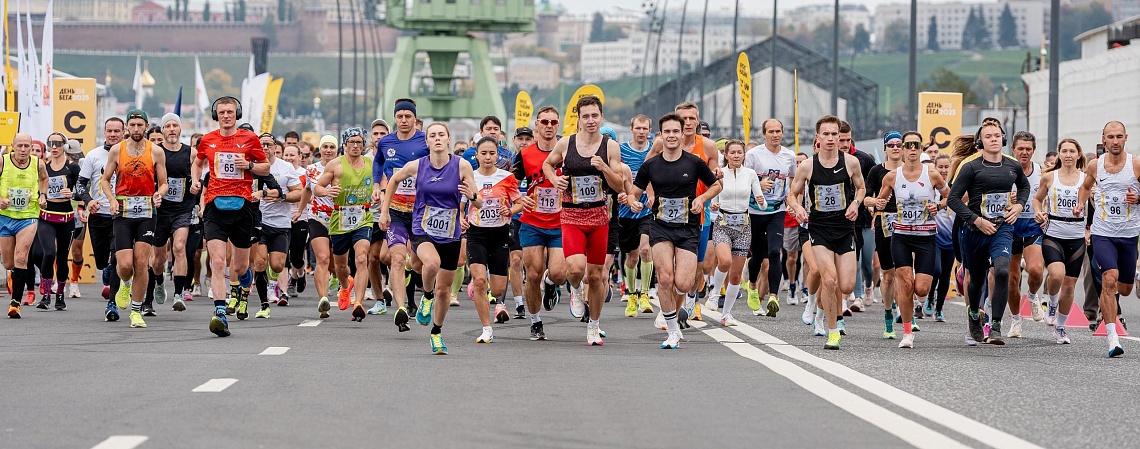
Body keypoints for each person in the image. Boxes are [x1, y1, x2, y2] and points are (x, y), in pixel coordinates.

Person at [380, 122, 478, 354]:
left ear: (448, 140)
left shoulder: (462, 166)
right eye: (432, 135)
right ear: (427, 142)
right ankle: (426, 295)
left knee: (444, 291)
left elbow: (479, 200)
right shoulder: (417, 165)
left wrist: (472, 196)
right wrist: (385, 210)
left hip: (451, 233)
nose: (436, 139)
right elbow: (393, 180)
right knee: (430, 263)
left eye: (440, 135)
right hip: (422, 228)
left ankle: (436, 332)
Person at [625, 113, 721, 349]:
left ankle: (675, 315)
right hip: (660, 226)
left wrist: (703, 198)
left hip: (688, 228)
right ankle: (672, 330)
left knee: (684, 283)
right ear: (660, 135)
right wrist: (633, 201)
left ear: (681, 134)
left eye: (675, 131)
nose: (671, 135)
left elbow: (717, 185)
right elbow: (633, 193)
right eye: (666, 132)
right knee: (665, 278)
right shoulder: (651, 165)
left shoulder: (694, 163)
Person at [541, 96, 625, 345]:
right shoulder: (567, 143)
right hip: (572, 214)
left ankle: (594, 325)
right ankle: (576, 290)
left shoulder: (610, 147)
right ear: (578, 118)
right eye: (585, 116)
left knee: (597, 276)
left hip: (599, 216)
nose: (590, 120)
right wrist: (554, 180)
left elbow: (619, 185)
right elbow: (547, 164)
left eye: (594, 115)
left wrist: (604, 168)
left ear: (601, 117)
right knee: (576, 268)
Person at [948, 118, 1030, 346]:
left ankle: (995, 326)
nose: (993, 139)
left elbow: (1024, 186)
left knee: (1003, 270)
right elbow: (953, 199)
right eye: (988, 136)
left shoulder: (1012, 165)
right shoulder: (971, 167)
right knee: (976, 278)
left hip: (1002, 227)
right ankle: (974, 313)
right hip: (976, 230)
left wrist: (1019, 206)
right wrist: (976, 220)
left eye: (997, 136)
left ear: (1003, 139)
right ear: (980, 142)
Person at [193, 97, 271, 337]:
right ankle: (219, 313)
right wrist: (196, 180)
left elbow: (265, 167)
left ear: (236, 113)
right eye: (221, 112)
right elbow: (197, 163)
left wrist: (247, 165)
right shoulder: (208, 140)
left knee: (239, 266)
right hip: (215, 205)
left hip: (243, 207)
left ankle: (246, 278)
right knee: (218, 262)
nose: (226, 115)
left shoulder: (250, 139)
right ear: (216, 115)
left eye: (230, 112)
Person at [787, 115, 866, 350]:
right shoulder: (807, 166)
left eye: (835, 134)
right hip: (819, 229)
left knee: (847, 287)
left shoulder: (851, 162)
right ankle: (832, 331)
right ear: (818, 137)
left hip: (844, 228)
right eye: (826, 134)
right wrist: (799, 208)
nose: (831, 138)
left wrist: (856, 204)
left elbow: (861, 188)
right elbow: (791, 194)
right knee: (829, 280)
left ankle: (822, 311)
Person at [872, 132, 950, 348]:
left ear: (921, 149)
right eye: (909, 145)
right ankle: (907, 333)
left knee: (922, 288)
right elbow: (880, 200)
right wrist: (875, 206)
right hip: (902, 236)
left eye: (917, 145)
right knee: (905, 283)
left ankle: (918, 302)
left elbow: (949, 196)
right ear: (904, 150)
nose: (913, 149)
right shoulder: (892, 176)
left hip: (926, 237)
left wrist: (940, 205)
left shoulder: (932, 174)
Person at [99, 109, 169, 329]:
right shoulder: (117, 150)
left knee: (141, 262)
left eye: (140, 125)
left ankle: (136, 311)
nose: (136, 129)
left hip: (147, 212)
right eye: (133, 125)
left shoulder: (156, 152)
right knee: (126, 264)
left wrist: (160, 194)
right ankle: (125, 284)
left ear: (146, 126)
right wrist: (110, 199)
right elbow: (105, 180)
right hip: (123, 211)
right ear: (127, 127)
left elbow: (164, 182)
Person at [1075, 121, 1139, 357]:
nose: (1114, 141)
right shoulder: (1095, 165)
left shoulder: (1135, 164)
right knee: (1109, 280)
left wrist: (1138, 199)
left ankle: (1135, 277)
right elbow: (1085, 187)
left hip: (1129, 234)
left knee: (1125, 287)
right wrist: (1081, 204)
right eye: (1110, 137)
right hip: (1103, 233)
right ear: (1103, 140)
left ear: (1125, 138)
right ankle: (1113, 337)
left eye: (1119, 136)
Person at [372, 98, 430, 332]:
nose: (404, 120)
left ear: (415, 119)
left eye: (408, 116)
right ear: (395, 118)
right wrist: (377, 186)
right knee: (396, 258)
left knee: (418, 263)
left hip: (421, 211)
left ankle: (426, 292)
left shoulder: (425, 141)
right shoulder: (386, 142)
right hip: (395, 208)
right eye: (400, 117)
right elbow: (378, 163)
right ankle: (400, 308)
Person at [512, 106, 569, 341]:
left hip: (560, 222)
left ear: (558, 125)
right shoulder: (525, 154)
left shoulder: (568, 152)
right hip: (532, 222)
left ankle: (551, 283)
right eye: (543, 121)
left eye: (553, 122)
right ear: (537, 125)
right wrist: (518, 197)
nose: (548, 126)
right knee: (532, 274)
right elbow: (510, 182)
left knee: (558, 273)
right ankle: (536, 322)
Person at [465, 137, 523, 342]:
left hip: (500, 234)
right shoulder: (469, 176)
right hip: (477, 233)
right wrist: (461, 222)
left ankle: (480, 283)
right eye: (484, 153)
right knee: (481, 281)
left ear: (497, 155)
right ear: (477, 155)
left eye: (492, 153)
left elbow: (519, 202)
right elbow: (459, 204)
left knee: (497, 289)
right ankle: (486, 328)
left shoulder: (506, 177)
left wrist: (510, 210)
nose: (488, 157)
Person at [738, 118, 796, 319]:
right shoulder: (754, 155)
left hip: (777, 211)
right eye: (771, 131)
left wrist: (792, 202)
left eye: (778, 131)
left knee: (774, 252)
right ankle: (752, 285)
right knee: (758, 255)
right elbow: (742, 178)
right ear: (764, 134)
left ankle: (773, 297)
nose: (775, 135)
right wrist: (758, 185)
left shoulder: (789, 156)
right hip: (755, 211)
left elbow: (793, 181)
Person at [314, 128, 373, 321]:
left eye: (359, 142)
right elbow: (317, 187)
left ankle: (359, 303)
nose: (355, 146)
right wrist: (326, 192)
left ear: (363, 144)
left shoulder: (371, 164)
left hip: (363, 216)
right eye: (352, 142)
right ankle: (346, 286)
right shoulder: (335, 165)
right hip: (340, 218)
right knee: (340, 266)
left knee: (362, 257)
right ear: (345, 145)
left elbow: (383, 181)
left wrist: (379, 190)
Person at [1033, 138, 1086, 344]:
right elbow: (1037, 200)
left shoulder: (1086, 179)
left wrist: (1089, 230)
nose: (1068, 155)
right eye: (1064, 151)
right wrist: (1038, 213)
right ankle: (1052, 303)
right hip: (1054, 233)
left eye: (1072, 151)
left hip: (1077, 236)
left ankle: (1061, 328)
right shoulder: (1049, 177)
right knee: (1056, 275)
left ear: (1078, 154)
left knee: (1070, 286)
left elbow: (1095, 203)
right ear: (1059, 155)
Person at [706, 140, 764, 326]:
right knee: (724, 261)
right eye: (733, 152)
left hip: (743, 226)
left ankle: (727, 314)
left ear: (744, 155)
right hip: (723, 222)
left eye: (740, 152)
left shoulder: (750, 174)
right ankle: (714, 294)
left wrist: (762, 201)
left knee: (736, 275)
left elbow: (761, 204)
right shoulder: (720, 174)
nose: (737, 155)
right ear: (726, 155)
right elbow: (712, 200)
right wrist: (713, 205)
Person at [250, 133, 303, 319]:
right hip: (258, 222)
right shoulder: (252, 166)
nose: (264, 147)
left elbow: (299, 193)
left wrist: (282, 197)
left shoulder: (286, 167)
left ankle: (274, 281)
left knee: (278, 265)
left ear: (274, 147)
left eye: (268, 144)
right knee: (260, 262)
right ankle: (264, 303)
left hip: (281, 223)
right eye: (261, 144)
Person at [77, 118, 126, 319]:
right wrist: (88, 201)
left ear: (124, 133)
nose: (113, 134)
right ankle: (105, 268)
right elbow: (80, 185)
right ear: (104, 132)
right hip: (98, 215)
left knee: (117, 259)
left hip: (120, 216)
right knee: (100, 261)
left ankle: (112, 303)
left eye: (117, 131)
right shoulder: (94, 155)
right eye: (109, 131)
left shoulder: (129, 154)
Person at [148, 113, 197, 315]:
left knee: (179, 247)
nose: (171, 129)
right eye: (167, 126)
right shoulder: (155, 153)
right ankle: (158, 280)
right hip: (161, 210)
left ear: (180, 129)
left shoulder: (191, 153)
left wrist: (196, 186)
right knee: (158, 259)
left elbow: (198, 176)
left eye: (174, 125)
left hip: (183, 209)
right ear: (162, 130)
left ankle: (178, 294)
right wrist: (154, 194)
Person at [1006, 131, 1047, 338]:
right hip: (1011, 226)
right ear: (1013, 149)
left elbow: (1050, 196)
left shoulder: (1042, 172)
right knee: (1012, 278)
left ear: (1034, 150)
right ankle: (1015, 320)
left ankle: (1032, 296)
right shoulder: (1005, 171)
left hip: (1032, 225)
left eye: (1028, 149)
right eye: (1020, 148)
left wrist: (1045, 212)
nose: (1024, 152)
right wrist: (1007, 199)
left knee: (1036, 270)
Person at [864, 132, 904, 338]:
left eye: (899, 144)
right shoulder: (876, 171)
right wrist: (875, 203)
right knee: (889, 274)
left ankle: (906, 313)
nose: (896, 147)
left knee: (906, 272)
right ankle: (888, 313)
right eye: (891, 145)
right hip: (885, 222)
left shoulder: (912, 170)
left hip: (909, 222)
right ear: (885, 148)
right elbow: (865, 197)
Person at [3, 133, 48, 318]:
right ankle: (13, 275)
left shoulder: (38, 164)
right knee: (9, 262)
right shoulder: (3, 162)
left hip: (28, 216)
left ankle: (15, 303)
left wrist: (42, 195)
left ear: (31, 147)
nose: (23, 150)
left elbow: (44, 179)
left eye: (26, 146)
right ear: (12, 146)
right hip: (5, 216)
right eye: (19, 146)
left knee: (22, 256)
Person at [33, 132, 79, 311]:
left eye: (58, 143)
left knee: (62, 258)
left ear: (64, 146)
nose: (54, 146)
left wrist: (73, 194)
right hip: (47, 216)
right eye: (51, 143)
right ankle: (45, 294)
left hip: (66, 217)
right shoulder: (43, 167)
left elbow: (83, 188)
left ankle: (60, 294)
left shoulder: (72, 168)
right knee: (49, 253)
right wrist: (40, 196)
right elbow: (35, 186)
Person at [294, 136, 339, 314]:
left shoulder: (343, 167)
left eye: (332, 147)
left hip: (339, 218)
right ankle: (323, 300)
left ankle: (338, 277)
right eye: (325, 147)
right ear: (320, 149)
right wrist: (300, 210)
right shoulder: (312, 169)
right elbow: (306, 190)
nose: (328, 150)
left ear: (337, 149)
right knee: (322, 258)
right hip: (317, 217)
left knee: (337, 264)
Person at [617, 115, 655, 317]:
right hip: (625, 211)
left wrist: (653, 195)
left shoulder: (654, 151)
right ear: (631, 129)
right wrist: (621, 195)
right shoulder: (621, 151)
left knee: (646, 250)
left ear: (649, 131)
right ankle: (631, 293)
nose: (641, 132)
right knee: (631, 257)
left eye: (645, 128)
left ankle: (645, 294)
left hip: (648, 210)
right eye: (638, 128)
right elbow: (615, 178)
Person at [507, 127, 534, 318]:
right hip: (516, 218)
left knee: (534, 264)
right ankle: (519, 303)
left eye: (527, 139)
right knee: (515, 259)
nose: (524, 142)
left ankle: (540, 289)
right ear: (514, 140)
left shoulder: (539, 160)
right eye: (520, 139)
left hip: (537, 218)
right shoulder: (509, 163)